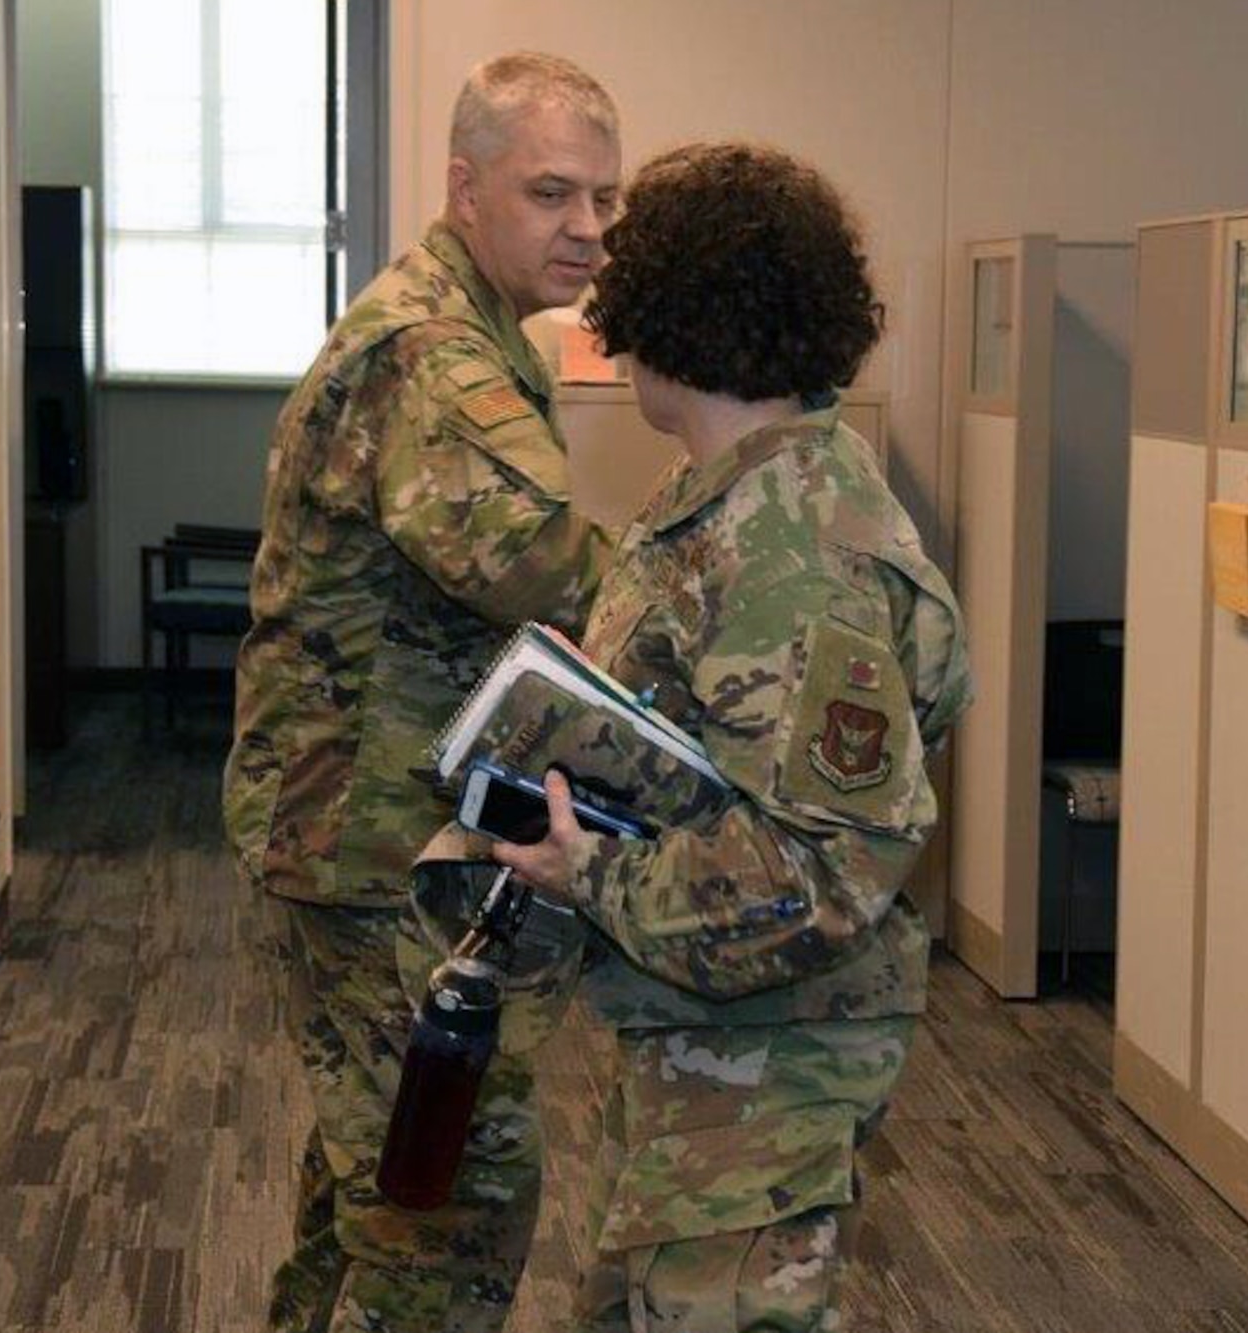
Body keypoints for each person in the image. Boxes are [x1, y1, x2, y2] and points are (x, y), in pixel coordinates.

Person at [491, 142, 972, 1331]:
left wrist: (587, 866)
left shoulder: (789, 550)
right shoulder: (733, 493)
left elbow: (827, 868)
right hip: (705, 1034)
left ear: (660, 314)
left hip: (765, 1057)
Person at [222, 52, 620, 1333]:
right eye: (552, 193)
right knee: (448, 1189)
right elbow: (532, 562)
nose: (588, 230)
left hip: (371, 813)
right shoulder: (434, 354)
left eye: (604, 200)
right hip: (365, 833)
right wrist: (701, 590)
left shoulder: (481, 326)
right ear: (464, 187)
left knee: (381, 1153)